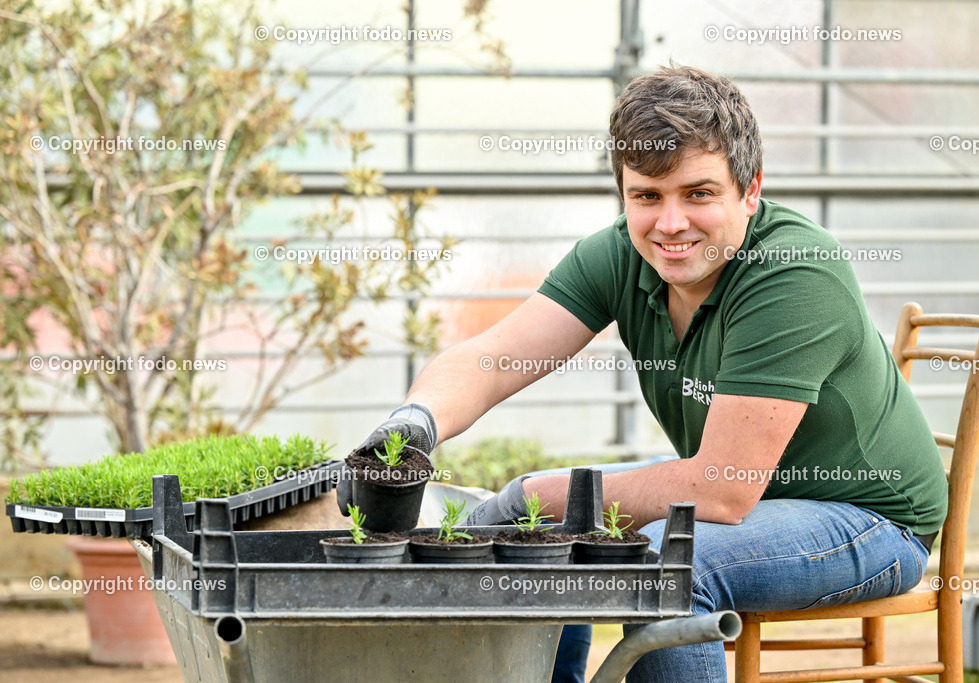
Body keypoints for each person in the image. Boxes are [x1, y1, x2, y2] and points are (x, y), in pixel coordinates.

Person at [341, 65, 948, 682]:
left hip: (868, 521)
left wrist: (530, 496)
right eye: (647, 197)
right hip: (750, 502)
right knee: (556, 524)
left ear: (751, 189)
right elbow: (494, 358)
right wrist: (412, 424)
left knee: (666, 557)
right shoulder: (621, 255)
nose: (671, 224)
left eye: (699, 194)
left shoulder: (794, 274)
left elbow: (720, 488)